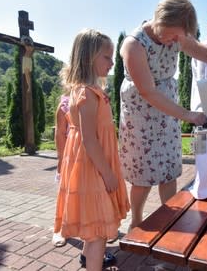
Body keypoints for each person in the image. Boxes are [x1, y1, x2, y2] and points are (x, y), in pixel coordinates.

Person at [119, 0, 207, 230]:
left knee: (168, 168)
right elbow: (149, 92)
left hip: (168, 111)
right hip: (141, 114)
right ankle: (137, 221)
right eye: (172, 34)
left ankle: (168, 219)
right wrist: (188, 115)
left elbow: (206, 52)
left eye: (179, 36)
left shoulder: (178, 34)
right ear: (160, 20)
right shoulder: (134, 44)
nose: (176, 41)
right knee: (143, 174)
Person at [54, 29, 130, 270]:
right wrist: (107, 172)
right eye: (107, 57)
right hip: (93, 167)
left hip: (94, 164)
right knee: (98, 232)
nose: (111, 62)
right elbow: (89, 139)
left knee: (93, 223)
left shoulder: (91, 91)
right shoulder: (86, 93)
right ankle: (93, 262)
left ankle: (88, 259)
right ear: (89, 58)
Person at [51, 92, 70, 248]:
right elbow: (60, 134)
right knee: (66, 194)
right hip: (70, 158)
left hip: (91, 158)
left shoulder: (98, 96)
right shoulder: (65, 105)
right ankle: (61, 229)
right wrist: (62, 158)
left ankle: (99, 229)